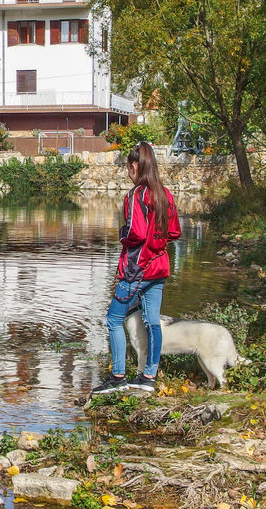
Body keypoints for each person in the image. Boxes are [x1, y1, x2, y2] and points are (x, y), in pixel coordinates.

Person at [91, 142, 181, 396]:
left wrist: (122, 236)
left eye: (128, 168)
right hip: (160, 266)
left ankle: (118, 375)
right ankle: (148, 377)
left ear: (134, 166)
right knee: (152, 321)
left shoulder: (136, 195)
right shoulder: (165, 194)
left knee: (113, 319)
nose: (128, 173)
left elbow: (135, 232)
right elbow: (173, 231)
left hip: (137, 268)